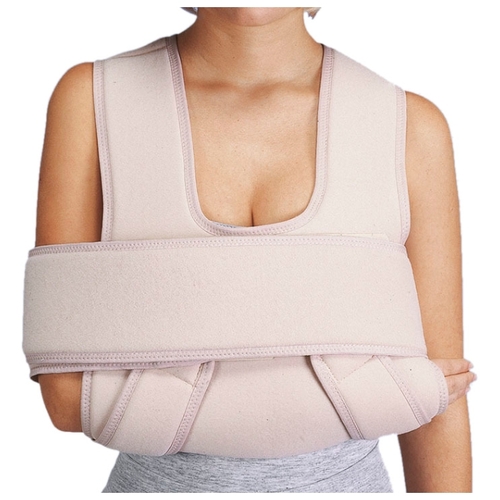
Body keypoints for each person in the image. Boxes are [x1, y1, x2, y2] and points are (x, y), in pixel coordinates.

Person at [32, 7, 474, 493]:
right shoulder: (94, 100)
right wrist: (378, 395)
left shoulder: (409, 127)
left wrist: (156, 398)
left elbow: (439, 405)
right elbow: (66, 397)